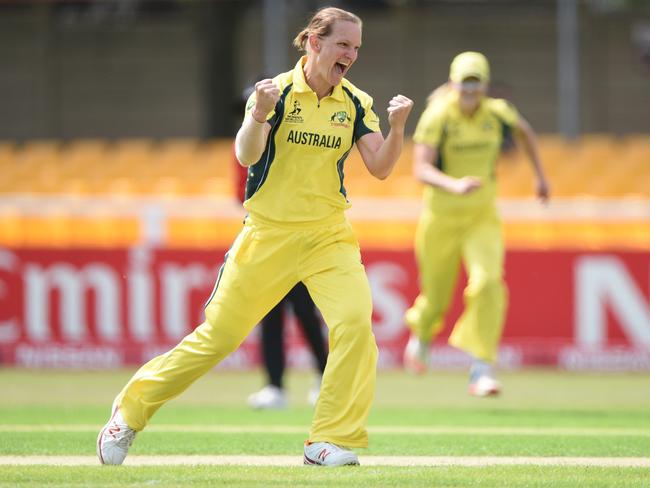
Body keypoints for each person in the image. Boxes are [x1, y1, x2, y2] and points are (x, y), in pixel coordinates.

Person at [97, 6, 413, 467]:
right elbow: (247, 155)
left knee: (355, 324)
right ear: (314, 43)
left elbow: (381, 168)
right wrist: (258, 115)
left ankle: (329, 440)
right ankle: (128, 412)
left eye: (357, 47)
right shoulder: (276, 94)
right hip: (268, 235)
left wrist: (399, 128)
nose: (351, 54)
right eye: (343, 44)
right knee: (218, 339)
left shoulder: (354, 102)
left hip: (328, 236)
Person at [402, 51, 549, 397]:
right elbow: (420, 168)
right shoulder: (438, 115)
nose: (470, 90)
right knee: (436, 298)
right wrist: (454, 184)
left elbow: (526, 133)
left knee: (487, 284)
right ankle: (422, 333)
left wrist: (541, 177)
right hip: (440, 217)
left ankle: (481, 367)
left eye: (475, 83)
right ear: (454, 83)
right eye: (464, 83)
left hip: (482, 217)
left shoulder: (497, 113)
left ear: (484, 84)